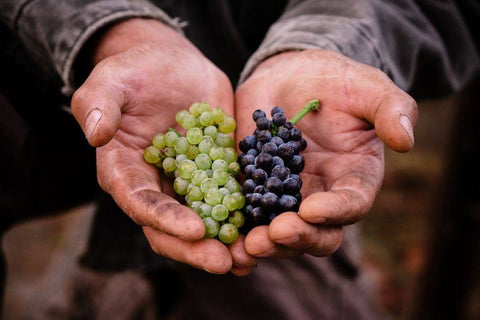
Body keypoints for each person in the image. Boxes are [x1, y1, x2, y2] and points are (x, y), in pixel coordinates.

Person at [0, 0, 478, 318]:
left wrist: (335, 39)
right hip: (29, 94)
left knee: (280, 271)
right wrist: (106, 27)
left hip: (270, 136)